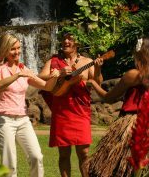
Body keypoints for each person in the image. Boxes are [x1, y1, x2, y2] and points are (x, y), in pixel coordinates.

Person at [85, 37, 149, 177]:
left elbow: (109, 97)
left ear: (140, 53)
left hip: (136, 125)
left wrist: (93, 83)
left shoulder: (134, 74)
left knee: (115, 169)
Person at [0, 33, 59, 177]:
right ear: (4, 50)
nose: (17, 52)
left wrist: (55, 76)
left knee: (36, 157)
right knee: (10, 164)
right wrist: (17, 75)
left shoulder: (24, 68)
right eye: (13, 49)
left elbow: (47, 87)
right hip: (3, 119)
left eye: (18, 48)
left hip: (22, 119)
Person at [38, 31, 103, 177]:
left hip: (80, 111)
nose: (66, 42)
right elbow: (40, 77)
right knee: (64, 154)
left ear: (77, 43)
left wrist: (98, 68)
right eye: (64, 39)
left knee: (84, 153)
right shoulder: (54, 60)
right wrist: (58, 73)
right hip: (61, 111)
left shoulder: (87, 62)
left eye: (70, 39)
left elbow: (97, 82)